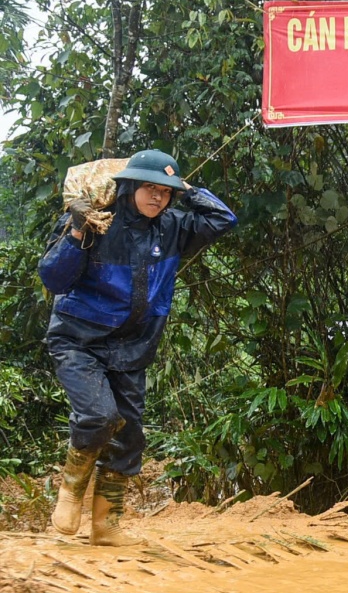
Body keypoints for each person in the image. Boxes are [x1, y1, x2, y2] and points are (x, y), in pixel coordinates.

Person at [39, 149, 237, 545]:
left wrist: (188, 188)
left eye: (165, 191)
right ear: (127, 187)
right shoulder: (96, 222)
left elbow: (223, 219)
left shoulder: (174, 227)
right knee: (99, 415)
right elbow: (55, 279)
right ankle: (71, 490)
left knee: (129, 435)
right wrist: (77, 231)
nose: (157, 196)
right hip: (79, 339)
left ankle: (106, 526)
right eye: (148, 187)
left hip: (132, 347)